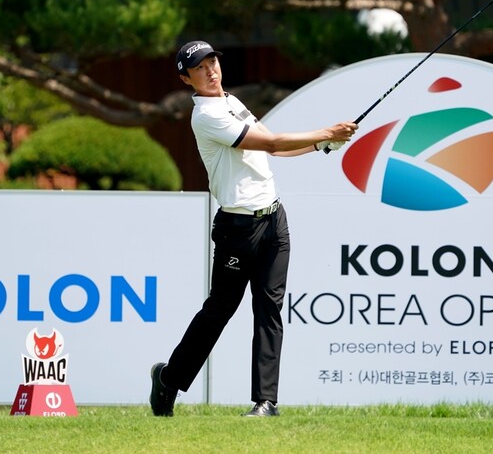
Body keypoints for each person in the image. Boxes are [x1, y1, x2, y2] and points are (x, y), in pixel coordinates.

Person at [150, 40, 358, 417]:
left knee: (269, 309)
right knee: (219, 310)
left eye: (213, 62)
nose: (211, 70)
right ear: (186, 78)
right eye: (200, 67)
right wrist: (324, 130)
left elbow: (274, 150)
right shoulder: (207, 116)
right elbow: (272, 140)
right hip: (238, 229)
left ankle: (266, 402)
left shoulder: (231, 101)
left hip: (274, 220)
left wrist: (322, 145)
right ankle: (169, 380)